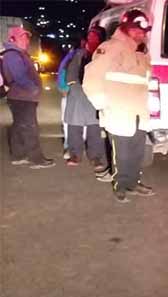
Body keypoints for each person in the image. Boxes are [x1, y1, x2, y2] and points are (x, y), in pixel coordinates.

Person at [83, 9, 155, 203]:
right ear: (125, 27)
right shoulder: (111, 48)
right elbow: (91, 79)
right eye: (136, 29)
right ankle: (120, 185)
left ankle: (133, 182)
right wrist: (102, 105)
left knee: (137, 153)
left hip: (139, 114)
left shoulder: (142, 54)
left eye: (143, 31)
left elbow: (146, 84)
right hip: (118, 113)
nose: (141, 34)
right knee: (121, 155)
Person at [2, 25, 54, 169]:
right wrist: (33, 89)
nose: (26, 41)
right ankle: (36, 159)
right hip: (22, 97)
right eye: (23, 37)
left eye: (27, 38)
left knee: (19, 126)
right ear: (13, 39)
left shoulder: (17, 53)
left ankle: (18, 156)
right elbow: (19, 76)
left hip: (20, 97)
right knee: (30, 128)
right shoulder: (13, 54)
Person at [63, 26, 107, 174]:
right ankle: (75, 155)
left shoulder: (103, 55)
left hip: (95, 95)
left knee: (95, 128)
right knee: (75, 127)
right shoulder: (79, 54)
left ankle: (96, 157)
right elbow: (70, 74)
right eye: (90, 36)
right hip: (78, 94)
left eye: (95, 37)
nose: (92, 39)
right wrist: (76, 88)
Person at [58, 36, 87, 160]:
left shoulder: (90, 56)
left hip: (83, 95)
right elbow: (62, 73)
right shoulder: (71, 57)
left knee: (82, 123)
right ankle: (70, 147)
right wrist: (64, 89)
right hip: (71, 94)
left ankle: (78, 147)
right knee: (69, 122)